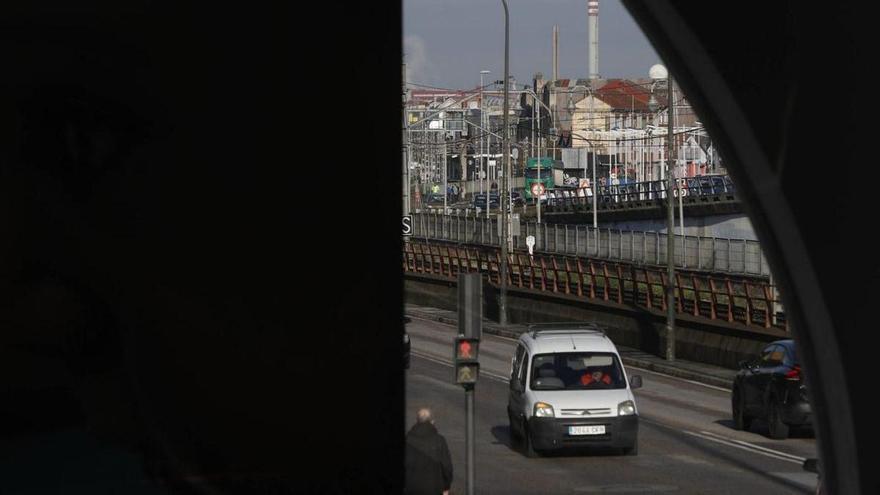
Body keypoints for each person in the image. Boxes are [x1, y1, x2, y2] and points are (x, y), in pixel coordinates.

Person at [405, 408, 453, 495]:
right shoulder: (439, 440)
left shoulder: (407, 439)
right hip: (434, 489)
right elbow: (447, 467)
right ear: (432, 421)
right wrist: (446, 487)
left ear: (417, 421)